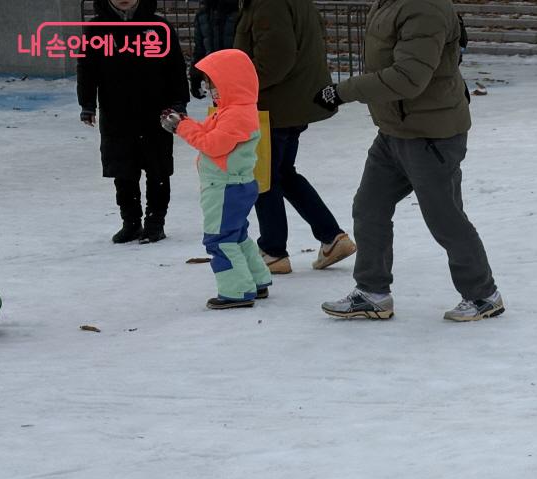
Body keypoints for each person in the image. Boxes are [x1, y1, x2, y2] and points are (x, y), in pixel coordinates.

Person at [314, 0, 503, 323]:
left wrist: (342, 91)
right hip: (394, 130)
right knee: (369, 207)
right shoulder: (388, 3)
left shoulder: (423, 7)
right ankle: (372, 293)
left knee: (445, 218)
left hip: (432, 134)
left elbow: (408, 77)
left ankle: (483, 295)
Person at [234, 0, 356, 275]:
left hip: (277, 107)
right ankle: (332, 237)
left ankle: (273, 250)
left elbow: (276, 60)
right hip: (292, 103)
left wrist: (237, 85)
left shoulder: (268, 4)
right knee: (283, 174)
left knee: (264, 176)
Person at [162, 49, 273, 309]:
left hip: (225, 187)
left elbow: (212, 145)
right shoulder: (232, 110)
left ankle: (236, 291)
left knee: (219, 239)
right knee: (237, 235)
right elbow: (208, 132)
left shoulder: (236, 114)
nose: (210, 89)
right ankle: (256, 280)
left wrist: (181, 128)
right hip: (232, 185)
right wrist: (184, 122)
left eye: (213, 83)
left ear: (230, 83)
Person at [77, 0, 188, 244]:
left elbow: (176, 69)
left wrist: (179, 103)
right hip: (117, 113)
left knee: (157, 168)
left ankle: (155, 222)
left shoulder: (159, 28)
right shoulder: (97, 29)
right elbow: (87, 68)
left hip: (155, 112)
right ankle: (131, 222)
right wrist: (87, 104)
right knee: (123, 169)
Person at [188, 0, 239, 100]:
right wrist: (195, 77)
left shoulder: (238, 14)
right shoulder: (203, 15)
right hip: (215, 77)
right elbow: (199, 50)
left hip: (236, 76)